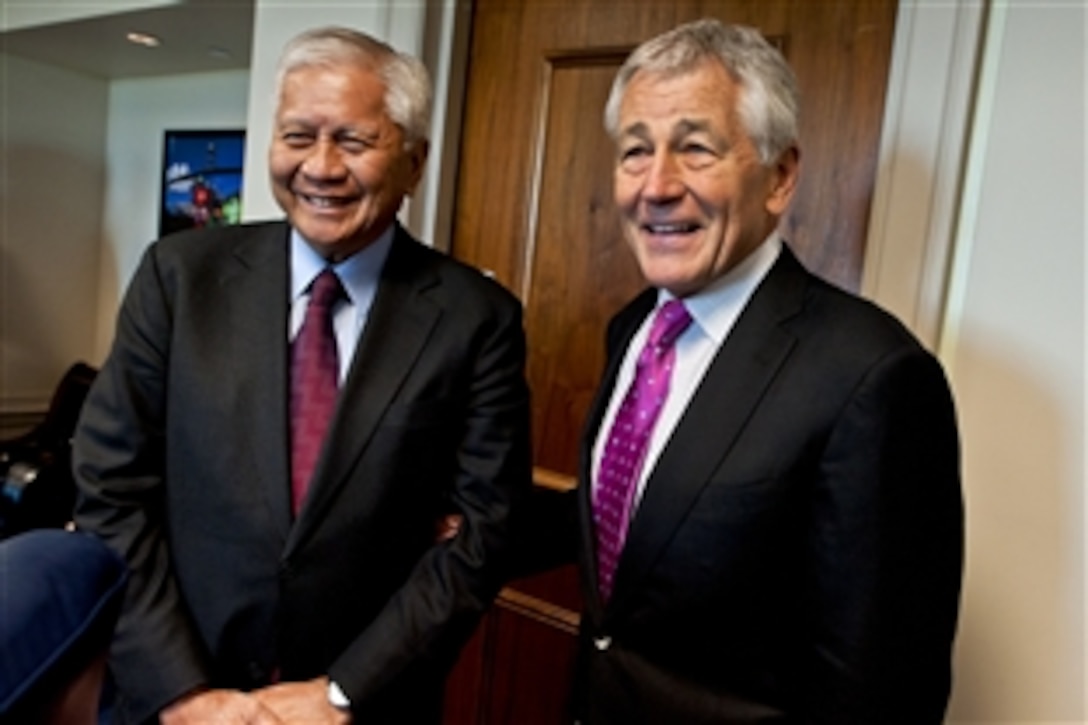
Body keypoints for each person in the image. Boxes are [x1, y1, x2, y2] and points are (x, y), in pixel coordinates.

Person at [72, 26, 531, 725]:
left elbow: (483, 534)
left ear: (414, 161)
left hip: (366, 705)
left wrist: (341, 690)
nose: (320, 166)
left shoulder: (477, 318)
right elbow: (109, 488)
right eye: (296, 136)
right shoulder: (178, 279)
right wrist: (185, 693)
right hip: (174, 698)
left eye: (354, 140)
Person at [569, 19, 963, 723]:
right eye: (635, 152)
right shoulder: (635, 327)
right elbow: (646, 522)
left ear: (779, 177)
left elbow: (883, 689)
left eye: (695, 149)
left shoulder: (873, 377)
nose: (656, 185)